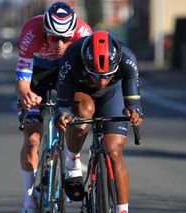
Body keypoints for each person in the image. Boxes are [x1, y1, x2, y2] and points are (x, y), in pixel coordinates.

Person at [14, 2, 92, 212]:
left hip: (65, 71)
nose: (59, 44)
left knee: (77, 114)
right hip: (36, 75)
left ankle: (70, 159)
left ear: (73, 34)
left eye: (65, 38)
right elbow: (22, 84)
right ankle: (29, 202)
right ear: (45, 32)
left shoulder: (83, 33)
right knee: (32, 139)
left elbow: (87, 81)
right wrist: (27, 96)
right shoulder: (31, 31)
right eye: (53, 38)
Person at [55, 31, 143, 213]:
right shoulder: (72, 56)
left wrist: (134, 111)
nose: (101, 81)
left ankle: (123, 210)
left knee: (114, 151)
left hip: (113, 95)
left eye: (107, 75)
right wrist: (63, 114)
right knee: (84, 112)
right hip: (82, 93)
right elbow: (63, 102)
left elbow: (134, 101)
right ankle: (72, 160)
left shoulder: (128, 59)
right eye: (94, 75)